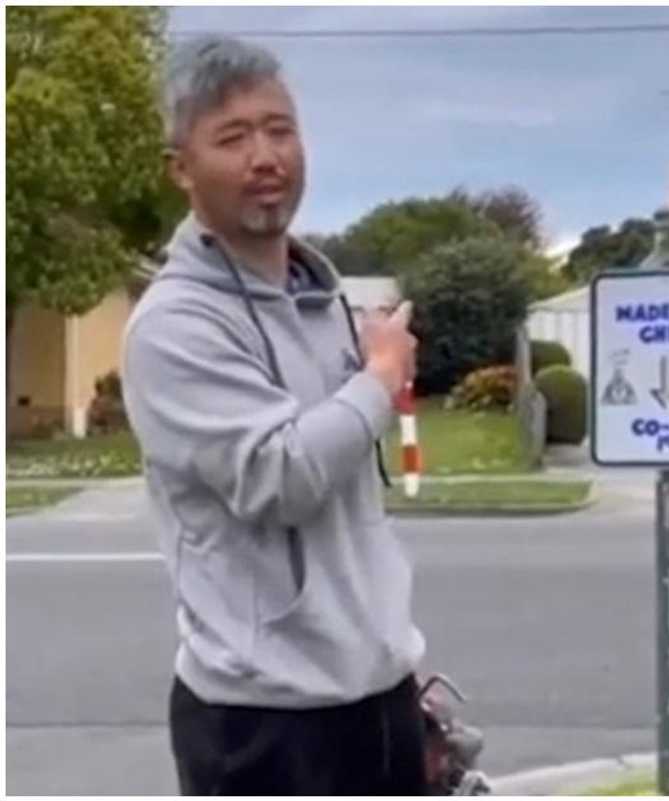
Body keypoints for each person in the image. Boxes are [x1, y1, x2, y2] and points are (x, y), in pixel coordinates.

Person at [122, 36, 428, 794]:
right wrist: (381, 377)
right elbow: (281, 474)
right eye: (233, 137)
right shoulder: (173, 327)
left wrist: (391, 661)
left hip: (376, 698)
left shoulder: (321, 303)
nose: (266, 156)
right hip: (264, 727)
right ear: (181, 168)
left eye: (280, 129)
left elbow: (349, 503)